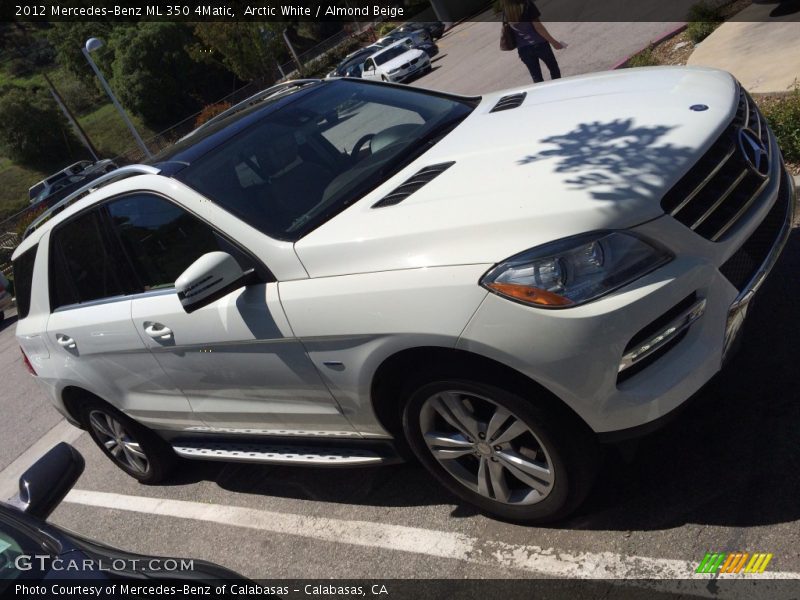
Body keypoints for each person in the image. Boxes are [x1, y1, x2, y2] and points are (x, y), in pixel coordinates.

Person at [503, 0, 565, 83]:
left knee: (536, 77)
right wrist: (554, 42)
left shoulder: (506, 10)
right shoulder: (527, 4)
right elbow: (538, 27)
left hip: (523, 49)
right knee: (553, 69)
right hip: (540, 44)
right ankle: (557, 91)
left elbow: (508, 30)